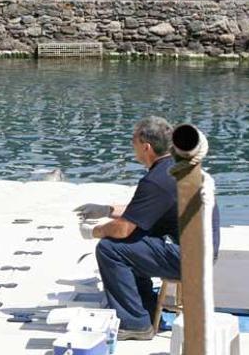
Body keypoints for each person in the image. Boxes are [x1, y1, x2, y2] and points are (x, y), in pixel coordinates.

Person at [76, 116, 220, 341]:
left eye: (133, 143)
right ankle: (149, 312)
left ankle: (135, 323)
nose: (132, 148)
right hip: (200, 253)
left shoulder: (157, 180)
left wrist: (94, 231)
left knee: (110, 248)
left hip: (189, 260)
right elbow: (142, 210)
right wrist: (106, 210)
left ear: (146, 147)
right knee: (136, 236)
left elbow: (123, 229)